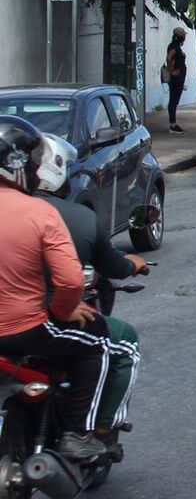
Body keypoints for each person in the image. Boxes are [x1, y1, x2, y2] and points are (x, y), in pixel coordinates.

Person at [0, 117, 109, 463]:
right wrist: (63, 311)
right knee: (96, 339)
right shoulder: (39, 212)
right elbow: (71, 281)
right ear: (17, 165)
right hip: (22, 331)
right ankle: (78, 434)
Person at [34, 134, 146, 453]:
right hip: (33, 322)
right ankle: (92, 430)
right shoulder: (69, 217)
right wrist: (64, 307)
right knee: (116, 340)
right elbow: (74, 281)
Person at [163, 26, 188, 133]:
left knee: (175, 101)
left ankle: (173, 123)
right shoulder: (173, 46)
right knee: (173, 101)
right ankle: (172, 124)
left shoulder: (177, 46)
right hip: (175, 79)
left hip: (179, 79)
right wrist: (171, 72)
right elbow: (169, 58)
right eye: (183, 35)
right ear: (178, 36)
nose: (184, 36)